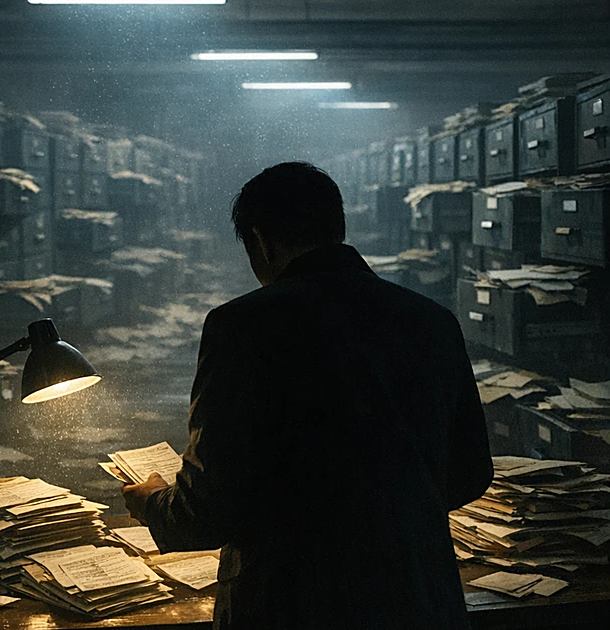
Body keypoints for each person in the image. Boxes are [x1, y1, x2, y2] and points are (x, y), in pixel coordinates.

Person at [122, 162, 493, 629]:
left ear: (260, 240)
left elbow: (209, 511)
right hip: (420, 601)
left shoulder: (242, 327)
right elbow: (470, 472)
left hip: (292, 605)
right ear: (337, 227)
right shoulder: (433, 320)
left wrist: (154, 500)